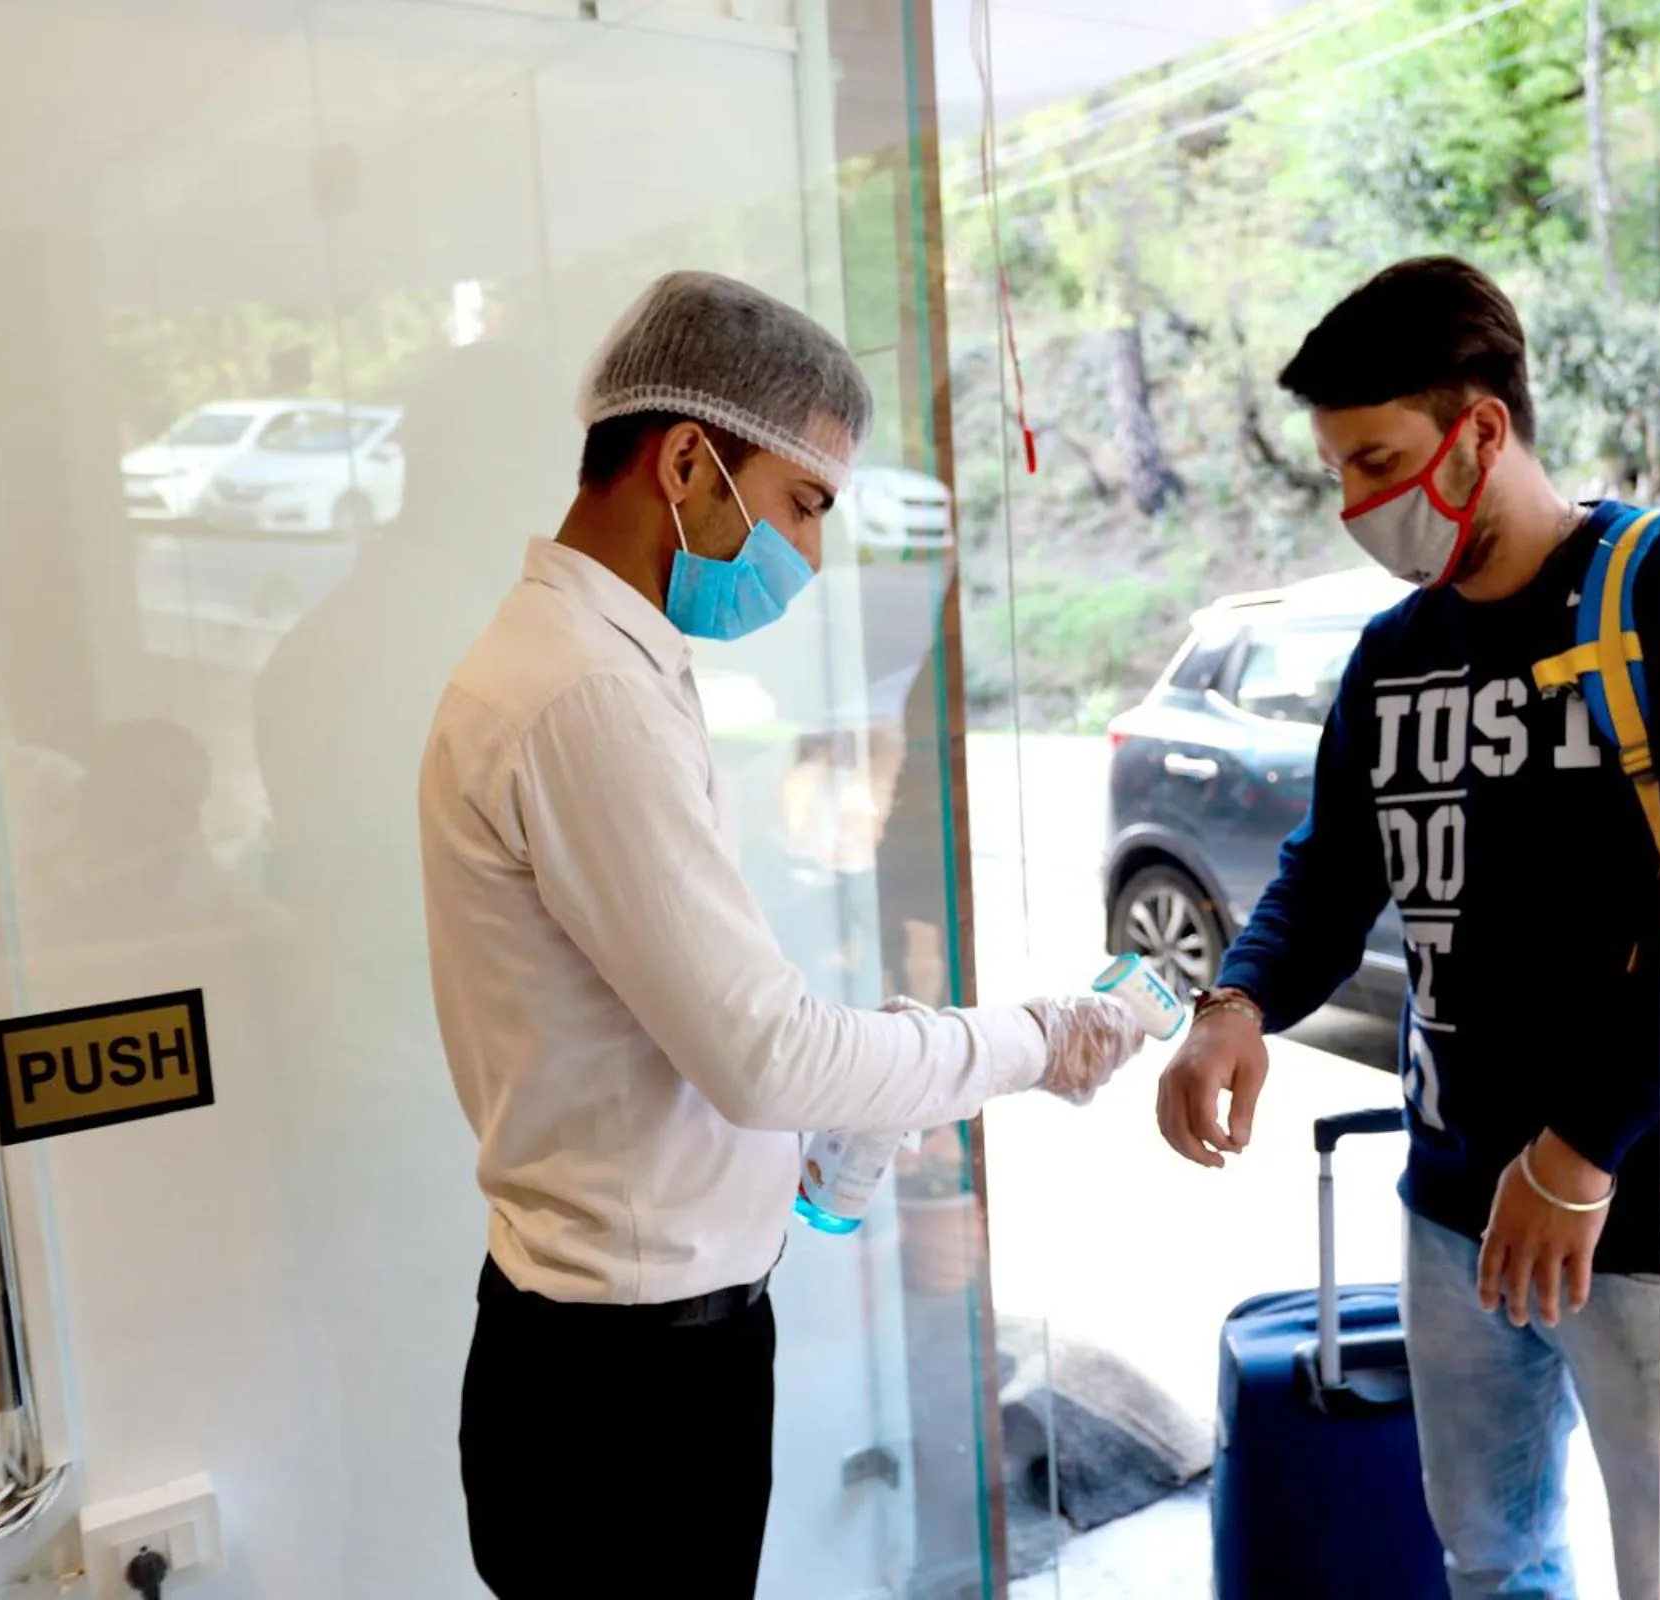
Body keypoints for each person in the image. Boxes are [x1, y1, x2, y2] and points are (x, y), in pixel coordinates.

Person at [419, 270, 1144, 1599]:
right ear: (688, 459)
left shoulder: (607, 666)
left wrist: (829, 1123)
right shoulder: (584, 697)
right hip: (623, 1398)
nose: (811, 554)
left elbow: (677, 1025)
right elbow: (761, 1054)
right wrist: (1030, 1042)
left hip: (615, 1361)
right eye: (805, 502)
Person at [1154, 258, 1660, 1600]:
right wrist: (1234, 1008)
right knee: (1492, 1556)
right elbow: (1333, 872)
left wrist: (1577, 1154)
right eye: (1337, 472)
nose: (1354, 506)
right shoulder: (1396, 654)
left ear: (1482, 434)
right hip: (1453, 1210)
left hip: (1645, 1213)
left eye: (1377, 460)